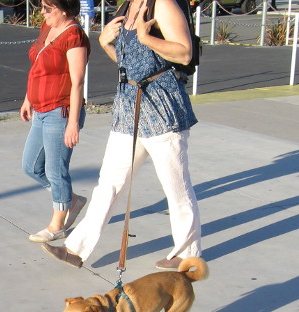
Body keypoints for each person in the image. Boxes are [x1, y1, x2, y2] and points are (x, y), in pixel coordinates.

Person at [42, 0, 201, 270]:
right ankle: (75, 249)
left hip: (160, 108)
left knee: (176, 187)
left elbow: (184, 53)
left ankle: (188, 254)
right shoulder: (127, 7)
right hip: (129, 108)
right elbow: (133, 62)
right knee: (109, 184)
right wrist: (106, 44)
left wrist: (145, 36)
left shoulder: (162, 4)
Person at [20, 0, 90, 243]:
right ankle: (71, 200)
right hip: (40, 109)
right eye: (41, 7)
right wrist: (28, 98)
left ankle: (56, 225)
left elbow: (77, 81)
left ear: (64, 9)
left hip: (60, 111)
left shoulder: (74, 36)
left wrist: (73, 122)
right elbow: (37, 68)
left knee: (55, 170)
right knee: (31, 166)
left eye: (47, 8)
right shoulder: (47, 29)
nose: (42, 12)